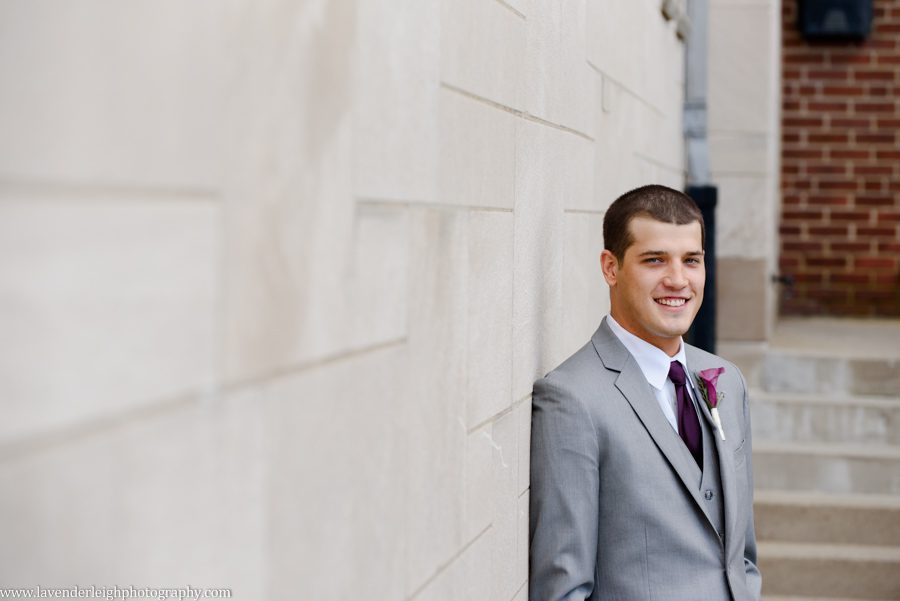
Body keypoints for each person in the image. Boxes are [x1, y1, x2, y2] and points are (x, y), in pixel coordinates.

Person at [529, 185, 761, 601]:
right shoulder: (571, 399)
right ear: (611, 268)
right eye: (655, 260)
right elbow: (563, 589)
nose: (678, 279)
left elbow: (740, 556)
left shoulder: (725, 379)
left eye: (691, 260)